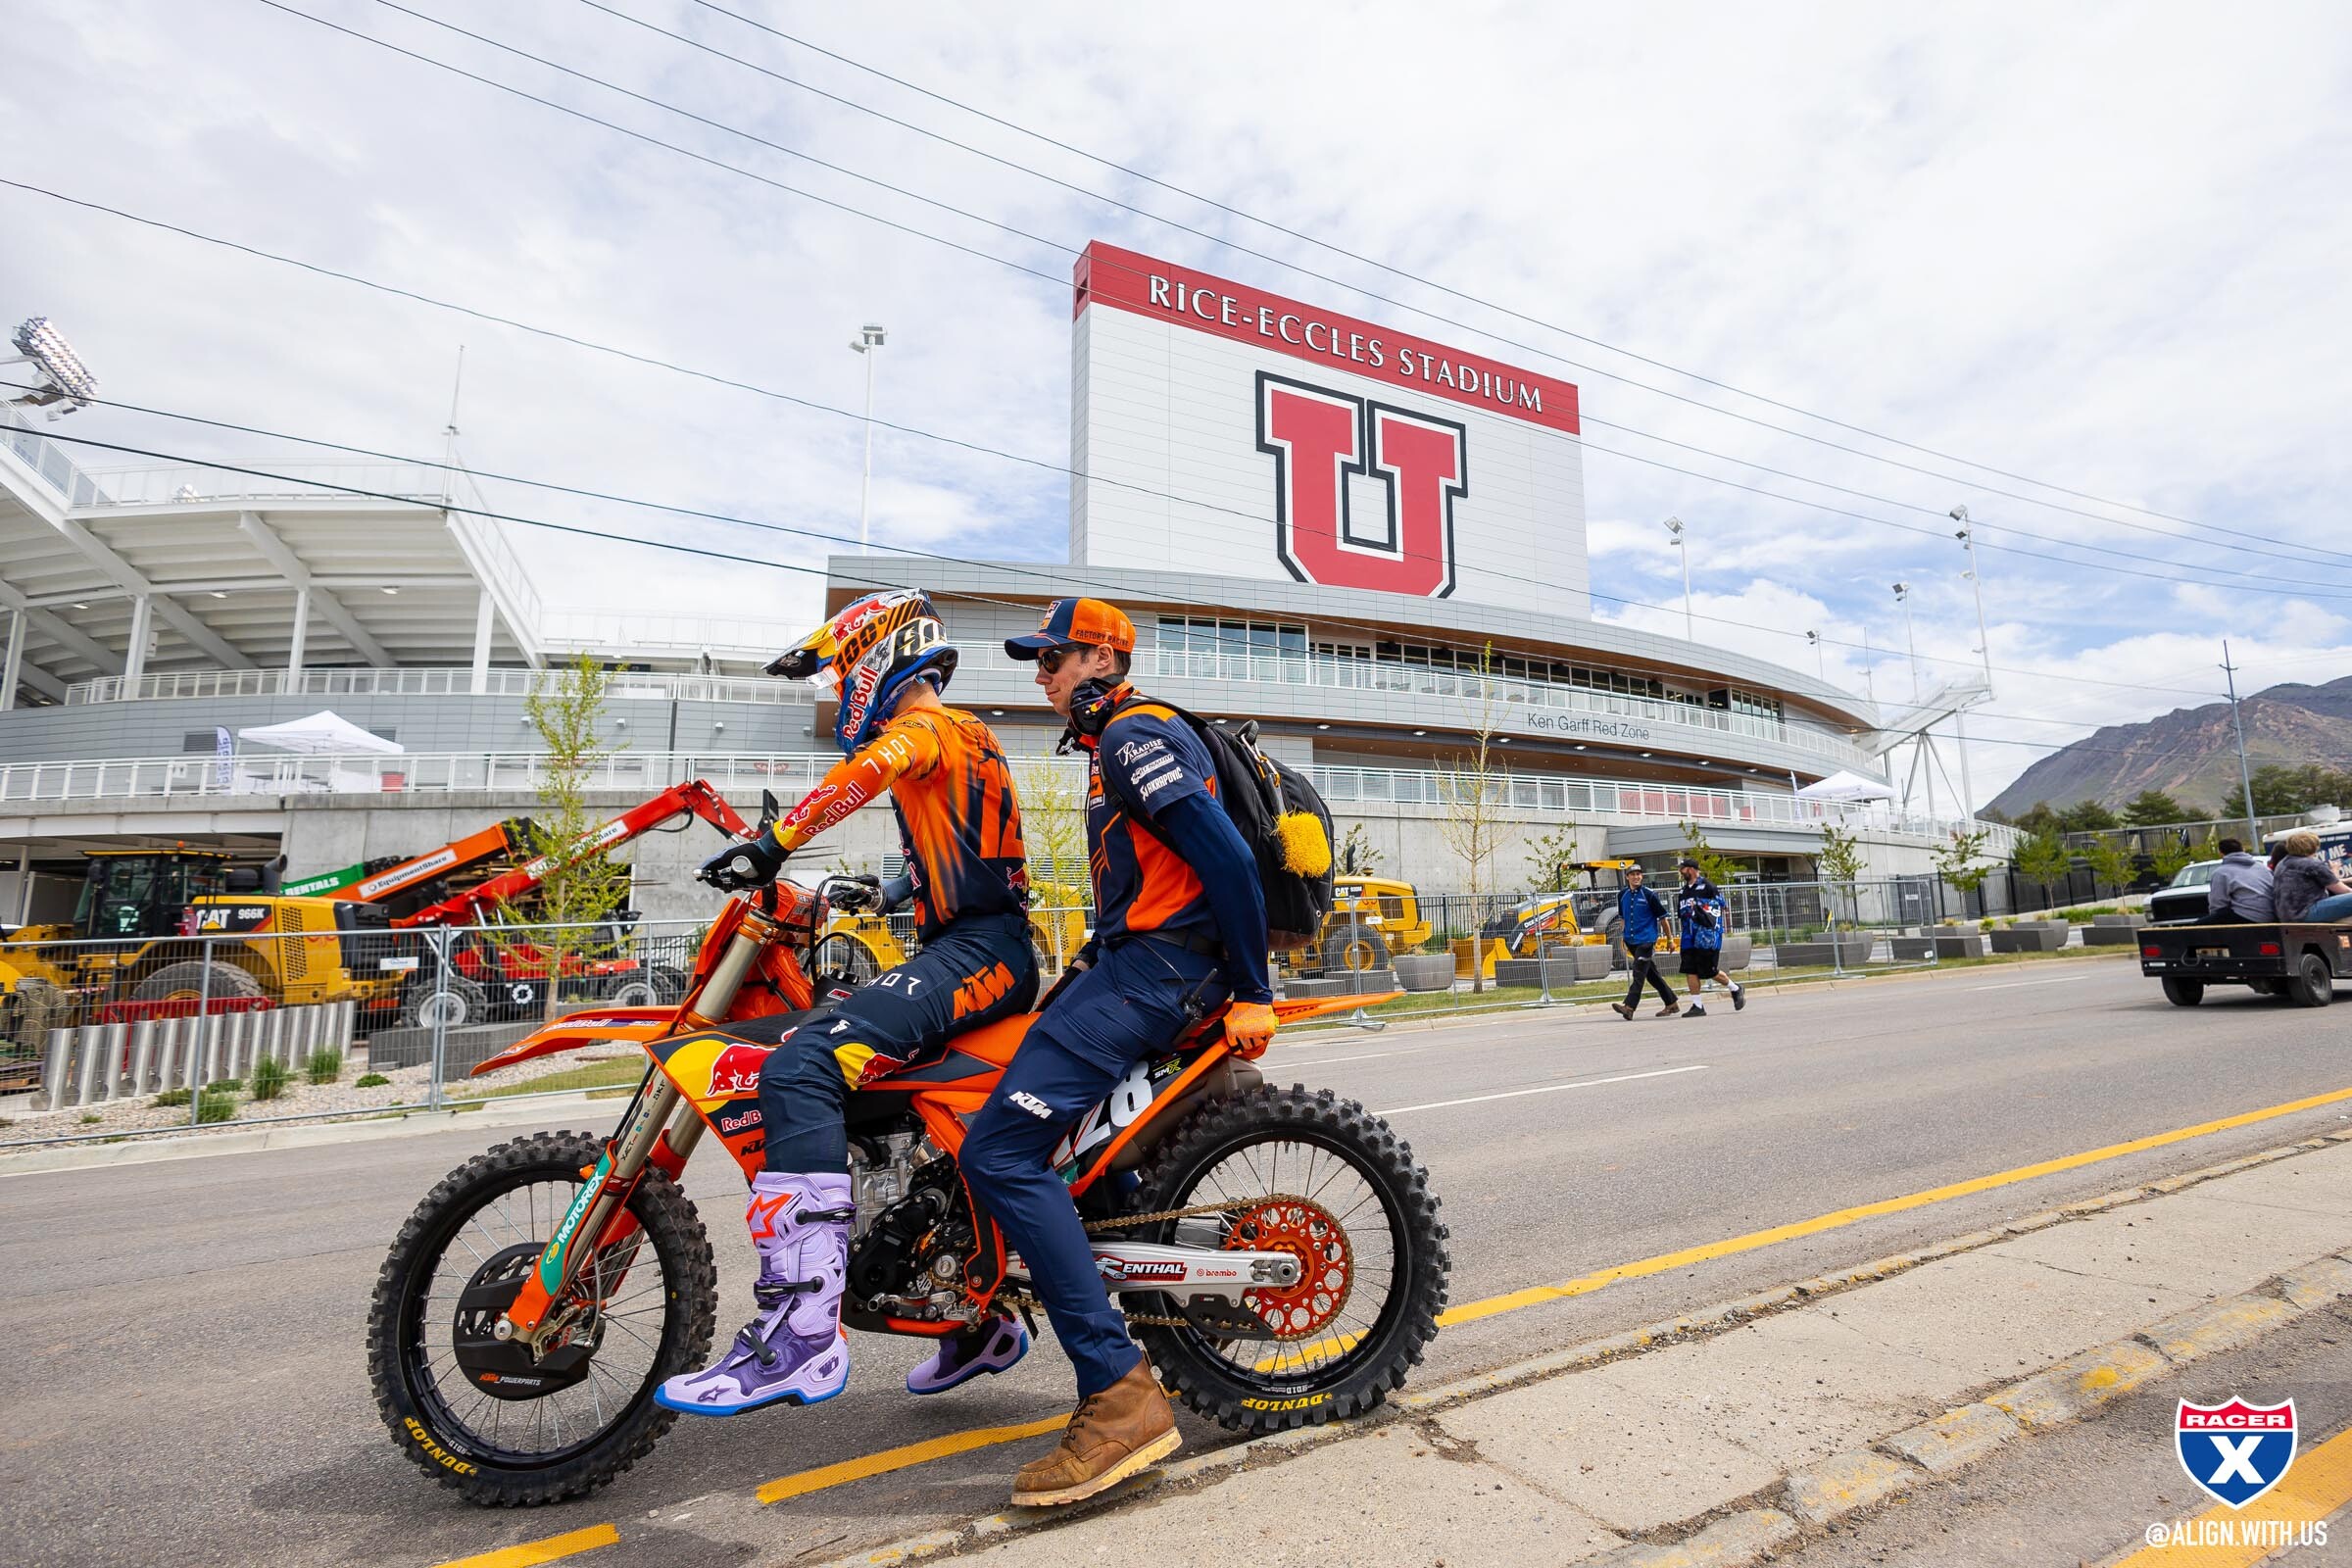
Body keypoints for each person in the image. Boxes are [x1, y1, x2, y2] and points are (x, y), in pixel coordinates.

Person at [657, 591, 1041, 1417]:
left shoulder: (927, 727)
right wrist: (891, 886)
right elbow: (970, 854)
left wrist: (770, 844)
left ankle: (802, 1337)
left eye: (841, 670)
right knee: (881, 1096)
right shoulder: (966, 737)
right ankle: (971, 1316)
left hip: (979, 953)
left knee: (800, 1067)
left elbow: (859, 776)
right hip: (980, 944)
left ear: (879, 657)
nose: (839, 690)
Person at [965, 597, 1278, 1507]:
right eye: (1039, 661)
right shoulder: (1116, 742)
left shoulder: (1133, 735)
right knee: (1049, 1141)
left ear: (1101, 657)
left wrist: (1254, 990)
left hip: (1159, 973)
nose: (1041, 674)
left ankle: (1118, 1394)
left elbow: (1227, 863)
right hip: (1130, 964)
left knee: (999, 1152)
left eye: (1052, 658)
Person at [1672, 858, 1745, 1017]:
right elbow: (1682, 915)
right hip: (1688, 937)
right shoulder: (1683, 891)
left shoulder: (1708, 887)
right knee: (1689, 969)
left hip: (1706, 937)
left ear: (1691, 869)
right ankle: (1698, 1006)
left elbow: (1720, 908)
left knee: (1709, 971)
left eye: (1682, 868)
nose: (1680, 871)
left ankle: (1735, 988)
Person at [1609, 863, 1679, 1019]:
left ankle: (1629, 1007)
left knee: (1638, 972)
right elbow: (1623, 918)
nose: (1636, 877)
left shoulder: (1649, 895)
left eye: (1639, 874)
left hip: (1646, 940)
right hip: (1631, 940)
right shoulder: (1622, 895)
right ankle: (1671, 1003)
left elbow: (1663, 919)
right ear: (1627, 877)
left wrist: (1670, 939)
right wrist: (1623, 935)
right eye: (1633, 874)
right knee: (1652, 974)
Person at [2272, 830, 2352, 922]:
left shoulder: (2282, 863)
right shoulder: (2312, 864)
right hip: (2305, 914)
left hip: (2287, 916)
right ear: (2314, 847)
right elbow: (2343, 891)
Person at [2205, 838, 2277, 924]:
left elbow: (2218, 905)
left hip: (2248, 917)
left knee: (2195, 927)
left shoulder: (2222, 872)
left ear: (2221, 853)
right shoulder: (2262, 868)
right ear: (2243, 849)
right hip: (2270, 915)